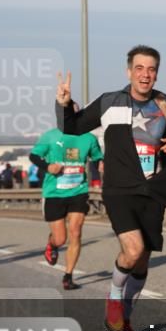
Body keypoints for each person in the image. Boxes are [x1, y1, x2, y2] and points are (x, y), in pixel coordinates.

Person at [55, 45, 166, 331]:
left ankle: (124, 316)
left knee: (142, 259)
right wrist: (63, 104)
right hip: (119, 189)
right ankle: (114, 295)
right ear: (129, 71)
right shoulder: (111, 102)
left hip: (154, 193)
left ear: (156, 74)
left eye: (151, 69)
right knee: (133, 248)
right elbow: (71, 127)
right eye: (139, 68)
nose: (145, 74)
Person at [30, 112, 104, 289]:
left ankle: (68, 276)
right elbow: (33, 156)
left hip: (78, 191)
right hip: (54, 193)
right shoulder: (50, 136)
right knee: (60, 239)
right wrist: (48, 166)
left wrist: (100, 162)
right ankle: (52, 244)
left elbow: (96, 156)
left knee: (76, 232)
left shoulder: (88, 138)